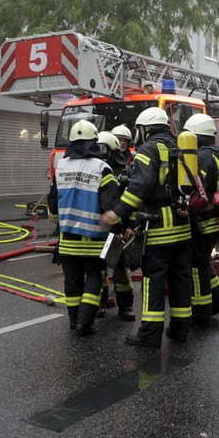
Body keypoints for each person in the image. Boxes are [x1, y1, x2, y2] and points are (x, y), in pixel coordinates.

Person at [101, 107, 194, 347]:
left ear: (146, 129)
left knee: (153, 279)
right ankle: (180, 329)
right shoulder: (178, 146)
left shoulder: (148, 149)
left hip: (159, 225)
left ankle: (150, 334)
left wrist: (117, 212)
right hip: (183, 225)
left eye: (140, 129)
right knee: (180, 278)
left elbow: (139, 187)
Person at [48, 120, 118, 334]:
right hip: (93, 239)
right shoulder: (101, 168)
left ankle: (73, 322)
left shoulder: (61, 167)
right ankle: (84, 324)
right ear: (94, 142)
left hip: (67, 239)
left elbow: (53, 204)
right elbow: (110, 205)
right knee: (94, 278)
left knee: (72, 282)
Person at [183, 113, 219, 324]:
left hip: (203, 219)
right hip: (216, 218)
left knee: (197, 265)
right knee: (203, 261)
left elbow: (195, 188)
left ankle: (201, 313)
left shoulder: (202, 156)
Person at [94, 130, 135, 322]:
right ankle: (100, 303)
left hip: (118, 227)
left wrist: (129, 225)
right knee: (98, 268)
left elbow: (130, 201)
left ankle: (125, 306)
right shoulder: (95, 168)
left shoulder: (124, 170)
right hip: (99, 226)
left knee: (120, 269)